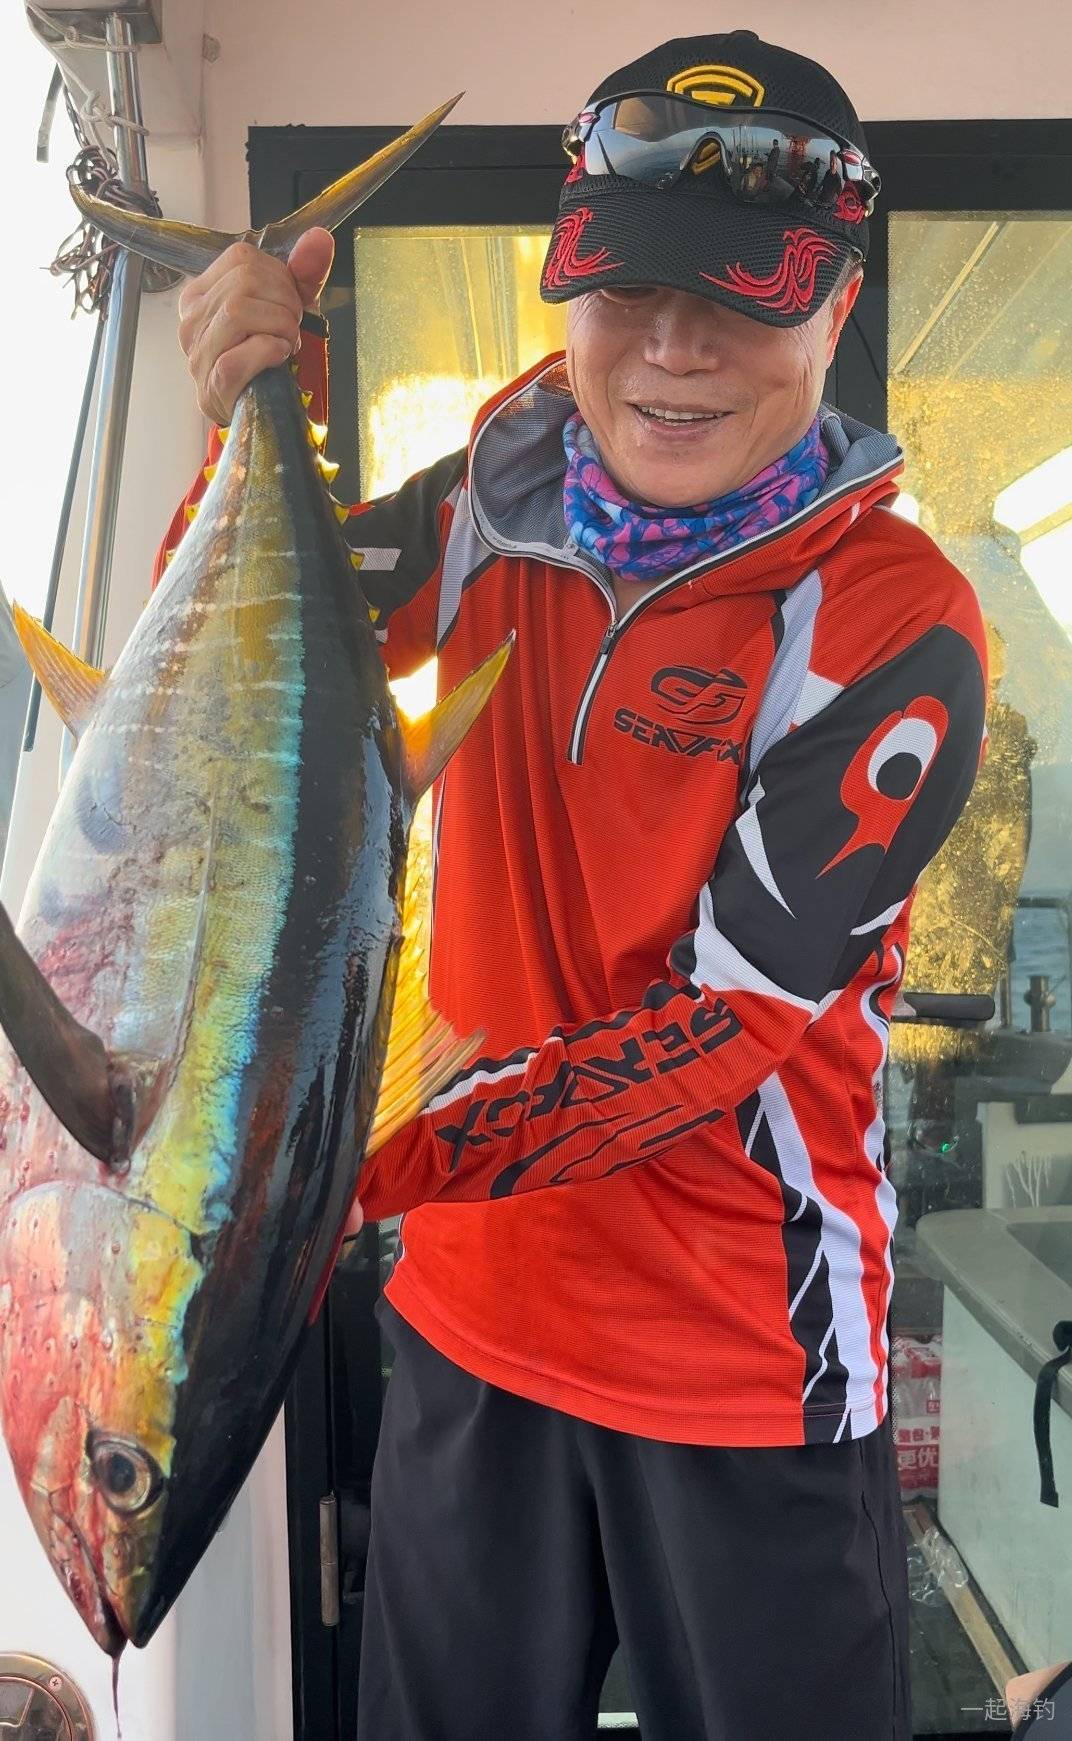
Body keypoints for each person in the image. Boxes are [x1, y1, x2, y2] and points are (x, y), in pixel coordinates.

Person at [167, 30, 987, 1741]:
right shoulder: (484, 501)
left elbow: (718, 1027)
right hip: (468, 1333)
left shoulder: (891, 617)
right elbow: (245, 696)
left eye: (744, 298)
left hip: (748, 1368)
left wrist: (327, 1173)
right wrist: (242, 411)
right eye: (629, 290)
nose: (673, 350)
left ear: (837, 303)